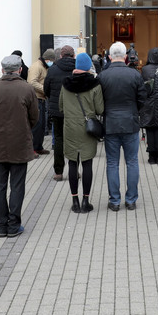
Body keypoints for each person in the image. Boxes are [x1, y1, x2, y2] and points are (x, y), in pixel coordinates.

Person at [0, 55, 38, 238]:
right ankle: (13, 224)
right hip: (19, 143)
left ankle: (1, 225)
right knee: (17, 185)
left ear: (2, 69)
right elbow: (34, 117)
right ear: (20, 69)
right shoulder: (27, 89)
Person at [98, 41, 147, 211]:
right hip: (131, 122)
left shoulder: (102, 76)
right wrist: (134, 111)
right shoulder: (134, 75)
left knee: (112, 162)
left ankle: (114, 200)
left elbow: (99, 102)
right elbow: (142, 99)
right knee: (132, 161)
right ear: (125, 57)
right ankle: (131, 199)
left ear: (110, 57)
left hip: (111, 123)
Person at [59, 52, 104, 213]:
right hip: (87, 128)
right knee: (87, 163)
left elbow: (61, 106)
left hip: (70, 127)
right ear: (88, 67)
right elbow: (100, 109)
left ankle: (75, 201)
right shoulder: (95, 85)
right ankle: (86, 200)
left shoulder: (65, 84)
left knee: (72, 162)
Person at [44, 45, 77, 181]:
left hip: (57, 110)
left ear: (61, 56)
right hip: (74, 111)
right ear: (73, 55)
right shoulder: (77, 69)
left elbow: (46, 89)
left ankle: (58, 172)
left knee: (58, 139)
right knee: (74, 141)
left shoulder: (53, 69)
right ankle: (74, 171)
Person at [28, 49, 54, 156]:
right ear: (47, 59)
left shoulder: (43, 66)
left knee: (42, 125)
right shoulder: (37, 67)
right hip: (36, 98)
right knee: (36, 125)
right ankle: (32, 149)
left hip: (42, 99)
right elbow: (31, 82)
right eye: (51, 60)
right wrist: (45, 89)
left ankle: (38, 147)